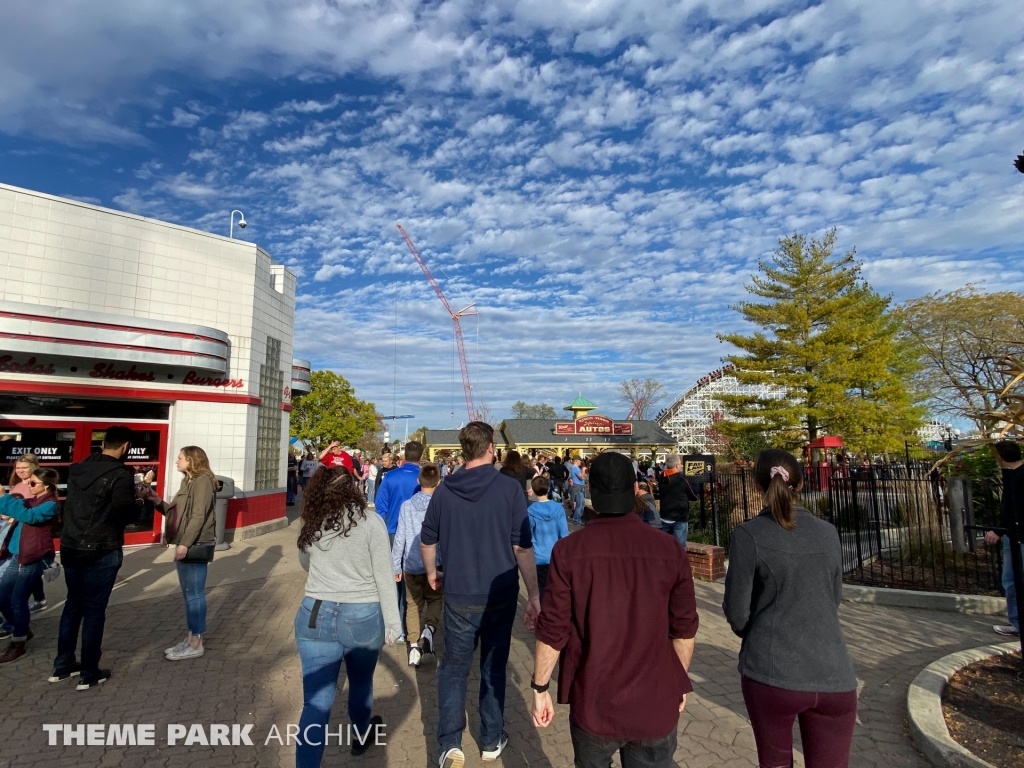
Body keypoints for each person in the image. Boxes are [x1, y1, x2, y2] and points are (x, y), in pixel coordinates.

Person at [531, 452, 699, 768]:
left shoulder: (568, 551)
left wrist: (540, 687)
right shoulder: (668, 549)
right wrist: (678, 680)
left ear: (590, 489)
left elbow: (553, 629)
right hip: (654, 699)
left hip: (595, 699)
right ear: (635, 489)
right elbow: (684, 628)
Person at [722, 449, 858, 768]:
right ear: (801, 483)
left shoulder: (748, 535)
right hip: (833, 672)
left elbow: (737, 612)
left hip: (772, 671)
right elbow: (834, 597)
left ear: (756, 485)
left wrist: (757, 632)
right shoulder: (828, 533)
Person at [420, 421, 541, 768]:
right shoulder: (509, 489)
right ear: (491, 448)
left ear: (464, 450)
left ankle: (449, 743)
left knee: (454, 668)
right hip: (500, 593)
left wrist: (431, 572)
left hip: (459, 593)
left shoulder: (444, 490)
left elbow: (427, 540)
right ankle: (490, 739)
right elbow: (522, 547)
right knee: (493, 666)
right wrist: (534, 594)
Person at [295, 466, 401, 766]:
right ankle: (361, 732)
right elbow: (384, 574)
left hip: (315, 612)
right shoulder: (371, 522)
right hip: (362, 612)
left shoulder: (312, 520)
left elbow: (305, 562)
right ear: (353, 488)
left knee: (315, 703)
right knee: (361, 681)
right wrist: (393, 623)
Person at [53, 425, 141, 689]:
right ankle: (89, 671)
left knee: (73, 605)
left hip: (71, 546)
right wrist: (139, 502)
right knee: (93, 610)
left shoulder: (77, 469)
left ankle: (63, 665)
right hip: (102, 549)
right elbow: (124, 513)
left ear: (103, 444)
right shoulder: (120, 475)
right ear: (125, 446)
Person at [145, 447, 218, 661]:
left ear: (192, 460)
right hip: (184, 542)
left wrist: (185, 544)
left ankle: (196, 643)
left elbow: (198, 516)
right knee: (188, 594)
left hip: (195, 543)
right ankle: (190, 638)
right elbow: (176, 513)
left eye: (180, 458)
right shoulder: (188, 481)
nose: (177, 461)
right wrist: (156, 501)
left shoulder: (203, 481)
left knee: (194, 594)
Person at [0, 467, 61, 664]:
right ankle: (22, 628)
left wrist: (4, 497)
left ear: (47, 486)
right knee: (3, 597)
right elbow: (14, 508)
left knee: (18, 601)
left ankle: (18, 643)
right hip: (17, 555)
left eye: (33, 482)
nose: (28, 484)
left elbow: (30, 516)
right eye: (29, 481)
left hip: (33, 557)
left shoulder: (51, 504)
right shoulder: (30, 501)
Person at [392, 464, 443, 668]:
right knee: (436, 599)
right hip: (435, 562)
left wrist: (396, 565)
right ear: (438, 482)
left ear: (418, 481)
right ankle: (429, 629)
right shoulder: (441, 506)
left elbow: (400, 538)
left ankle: (413, 646)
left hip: (411, 564)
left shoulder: (406, 506)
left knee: (412, 605)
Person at [375, 441, 425, 643]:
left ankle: (394, 626)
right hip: (417, 534)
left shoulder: (390, 477)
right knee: (411, 580)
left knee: (394, 579)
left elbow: (380, 508)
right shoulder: (425, 478)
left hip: (393, 532)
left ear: (404, 456)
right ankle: (409, 625)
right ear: (421, 457)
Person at [985, 440, 1024, 637]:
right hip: (1015, 534)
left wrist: (999, 531)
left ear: (1001, 457)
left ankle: (1017, 622)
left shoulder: (1014, 478)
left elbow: (1013, 510)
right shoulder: (1014, 474)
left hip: (1017, 535)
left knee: (1013, 580)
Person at [6, 454, 49, 613]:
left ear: (33, 468)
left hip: (27, 533)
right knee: (27, 570)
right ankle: (39, 599)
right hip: (13, 530)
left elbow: (31, 511)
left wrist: (12, 514)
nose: (20, 470)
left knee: (26, 571)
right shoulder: (16, 485)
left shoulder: (36, 486)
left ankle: (26, 606)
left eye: (24, 467)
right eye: (18, 468)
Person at [527, 476, 569, 599]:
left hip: (539, 556)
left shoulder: (530, 511)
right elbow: (564, 534)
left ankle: (541, 609)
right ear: (548, 489)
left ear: (534, 490)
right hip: (556, 556)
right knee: (557, 588)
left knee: (541, 588)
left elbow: (528, 534)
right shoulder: (559, 508)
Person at [659, 455, 698, 546]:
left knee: (665, 546)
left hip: (665, 516)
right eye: (680, 464)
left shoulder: (661, 477)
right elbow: (693, 495)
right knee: (680, 546)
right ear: (677, 466)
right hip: (679, 516)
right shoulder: (682, 480)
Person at [569, 457, 587, 525]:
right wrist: (583, 470)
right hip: (578, 488)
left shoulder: (576, 468)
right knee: (579, 505)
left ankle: (578, 518)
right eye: (580, 460)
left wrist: (584, 472)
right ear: (576, 461)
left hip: (580, 487)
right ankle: (577, 519)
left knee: (582, 505)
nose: (581, 462)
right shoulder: (575, 468)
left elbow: (583, 477)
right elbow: (582, 477)